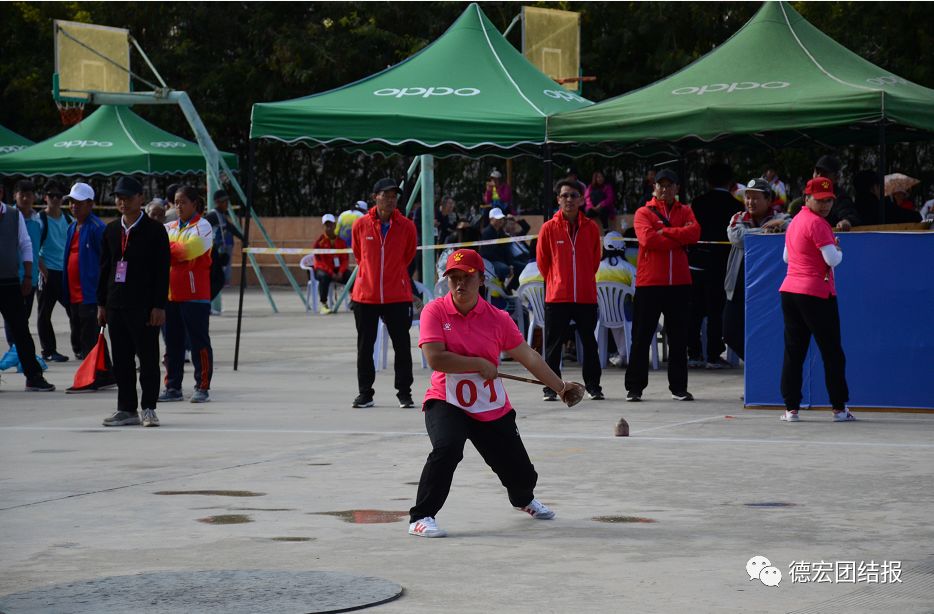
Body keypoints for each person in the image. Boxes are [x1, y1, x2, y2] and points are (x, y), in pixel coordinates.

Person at [408, 249, 574, 538]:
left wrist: (560, 387)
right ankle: (421, 517)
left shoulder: (497, 318)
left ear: (481, 280)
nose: (460, 284)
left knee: (522, 474)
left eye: (467, 278)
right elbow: (435, 359)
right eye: (454, 278)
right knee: (447, 448)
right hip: (446, 400)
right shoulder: (434, 311)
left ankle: (524, 500)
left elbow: (529, 357)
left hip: (490, 405)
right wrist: (478, 363)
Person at [779, 176, 855, 423]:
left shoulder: (794, 222)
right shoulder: (820, 224)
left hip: (790, 291)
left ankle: (791, 409)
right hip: (816, 294)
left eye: (829, 200)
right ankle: (839, 409)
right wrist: (838, 249)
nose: (825, 206)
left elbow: (787, 258)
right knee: (832, 352)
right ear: (806, 198)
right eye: (820, 200)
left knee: (794, 352)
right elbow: (832, 260)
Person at [97, 176, 170, 426]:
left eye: (128, 197)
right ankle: (126, 408)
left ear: (141, 198)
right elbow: (105, 269)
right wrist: (101, 303)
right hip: (116, 304)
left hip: (145, 307)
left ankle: (148, 407)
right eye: (119, 197)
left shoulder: (155, 230)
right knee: (122, 360)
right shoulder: (111, 230)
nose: (122, 201)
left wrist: (159, 305)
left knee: (148, 359)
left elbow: (162, 271)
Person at [624, 169, 701, 402]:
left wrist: (665, 232)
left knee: (679, 338)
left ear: (677, 189)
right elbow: (648, 239)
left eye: (670, 185)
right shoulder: (643, 212)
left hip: (679, 282)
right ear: (654, 188)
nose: (665, 189)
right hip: (650, 283)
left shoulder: (686, 210)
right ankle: (634, 387)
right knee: (641, 336)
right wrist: (678, 236)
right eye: (661, 185)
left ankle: (678, 387)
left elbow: (695, 233)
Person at [350, 177, 418, 409]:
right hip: (365, 296)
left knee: (402, 345)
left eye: (394, 196)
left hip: (397, 296)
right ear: (374, 197)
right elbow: (360, 255)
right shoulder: (360, 225)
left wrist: (395, 275)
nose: (390, 200)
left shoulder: (407, 226)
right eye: (386, 195)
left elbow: (408, 256)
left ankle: (404, 393)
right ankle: (365, 393)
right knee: (365, 346)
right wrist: (370, 277)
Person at [537, 179, 604, 401]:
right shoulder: (548, 228)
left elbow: (595, 260)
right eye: (564, 195)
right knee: (553, 345)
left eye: (574, 195)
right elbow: (543, 263)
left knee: (589, 344)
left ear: (581, 199)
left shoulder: (591, 228)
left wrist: (582, 280)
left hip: (585, 296)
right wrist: (558, 281)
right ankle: (551, 388)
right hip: (558, 296)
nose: (569, 200)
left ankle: (594, 386)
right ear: (558, 199)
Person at [723, 179, 790, 360]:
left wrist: (779, 226)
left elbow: (794, 228)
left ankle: (765, 366)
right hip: (738, 285)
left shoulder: (781, 218)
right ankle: (754, 362)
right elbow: (737, 237)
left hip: (769, 287)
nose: (750, 202)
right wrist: (764, 232)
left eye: (756, 198)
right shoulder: (738, 217)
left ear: (768, 200)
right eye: (748, 197)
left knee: (769, 331)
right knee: (730, 332)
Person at [159, 186, 215, 404]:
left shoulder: (203, 226)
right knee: (172, 344)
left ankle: (202, 386)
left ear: (194, 204)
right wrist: (171, 250)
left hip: (195, 296)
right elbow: (158, 250)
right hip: (170, 295)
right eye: (175, 202)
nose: (178, 206)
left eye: (183, 202)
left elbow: (188, 250)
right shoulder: (169, 227)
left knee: (198, 342)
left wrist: (168, 250)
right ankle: (172, 386)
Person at [687, 163, 743, 370]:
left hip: (695, 262)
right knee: (715, 310)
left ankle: (693, 353)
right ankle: (712, 354)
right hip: (720, 264)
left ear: (708, 181)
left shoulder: (697, 202)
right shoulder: (734, 205)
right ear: (731, 183)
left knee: (694, 310)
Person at [0, 196, 55, 391]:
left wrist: (28, 277)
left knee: (21, 331)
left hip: (10, 282)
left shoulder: (14, 215)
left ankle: (33, 376)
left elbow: (25, 245)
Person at [62, 182, 112, 385]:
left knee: (89, 338)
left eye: (79, 203)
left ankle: (92, 377)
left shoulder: (97, 228)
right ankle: (107, 374)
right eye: (72, 202)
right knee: (86, 337)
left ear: (90, 204)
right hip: (74, 293)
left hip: (90, 294)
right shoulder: (72, 226)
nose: (74, 206)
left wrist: (104, 295)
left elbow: (107, 262)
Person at [36, 181, 73, 362]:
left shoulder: (68, 219)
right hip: (47, 271)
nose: (56, 199)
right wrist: (43, 270)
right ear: (45, 198)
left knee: (74, 310)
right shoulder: (40, 219)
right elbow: (33, 247)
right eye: (52, 196)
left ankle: (79, 347)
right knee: (44, 313)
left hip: (65, 272)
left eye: (59, 196)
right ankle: (48, 350)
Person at [3, 180, 42, 348]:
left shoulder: (38, 220)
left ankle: (19, 351)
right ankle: (14, 349)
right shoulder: (9, 215)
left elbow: (35, 249)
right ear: (14, 196)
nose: (26, 198)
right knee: (12, 318)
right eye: (22, 194)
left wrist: (38, 272)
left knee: (23, 317)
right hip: (11, 277)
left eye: (29, 195)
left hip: (30, 277)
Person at [597, 231, 637, 368]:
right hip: (627, 316)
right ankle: (627, 354)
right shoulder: (629, 268)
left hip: (603, 316)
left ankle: (623, 354)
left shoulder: (595, 269)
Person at [204, 188, 247, 303]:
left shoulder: (221, 216)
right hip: (210, 253)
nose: (227, 204)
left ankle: (206, 302)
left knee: (220, 280)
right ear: (217, 202)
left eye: (227, 201)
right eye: (224, 201)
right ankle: (205, 302)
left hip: (217, 253)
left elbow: (230, 227)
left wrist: (243, 238)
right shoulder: (212, 215)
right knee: (217, 280)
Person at [312, 213, 351, 312]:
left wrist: (341, 272)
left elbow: (345, 260)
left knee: (351, 275)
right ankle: (324, 304)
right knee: (324, 277)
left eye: (331, 225)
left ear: (335, 225)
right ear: (323, 226)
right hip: (323, 270)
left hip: (338, 270)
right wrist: (332, 273)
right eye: (326, 225)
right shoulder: (318, 243)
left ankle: (354, 301)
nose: (329, 227)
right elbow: (320, 262)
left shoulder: (341, 242)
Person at [813, 155, 860, 230]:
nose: (819, 176)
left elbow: (850, 215)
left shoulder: (841, 197)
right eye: (817, 172)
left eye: (824, 173)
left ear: (836, 177)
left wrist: (846, 222)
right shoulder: (807, 195)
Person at [479, 207, 514, 288]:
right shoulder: (487, 233)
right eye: (498, 218)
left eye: (501, 218)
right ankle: (504, 291)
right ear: (491, 219)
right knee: (505, 269)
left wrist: (511, 264)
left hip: (500, 260)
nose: (500, 221)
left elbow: (506, 249)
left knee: (518, 266)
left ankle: (508, 290)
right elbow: (489, 253)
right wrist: (507, 264)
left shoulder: (501, 232)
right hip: (489, 262)